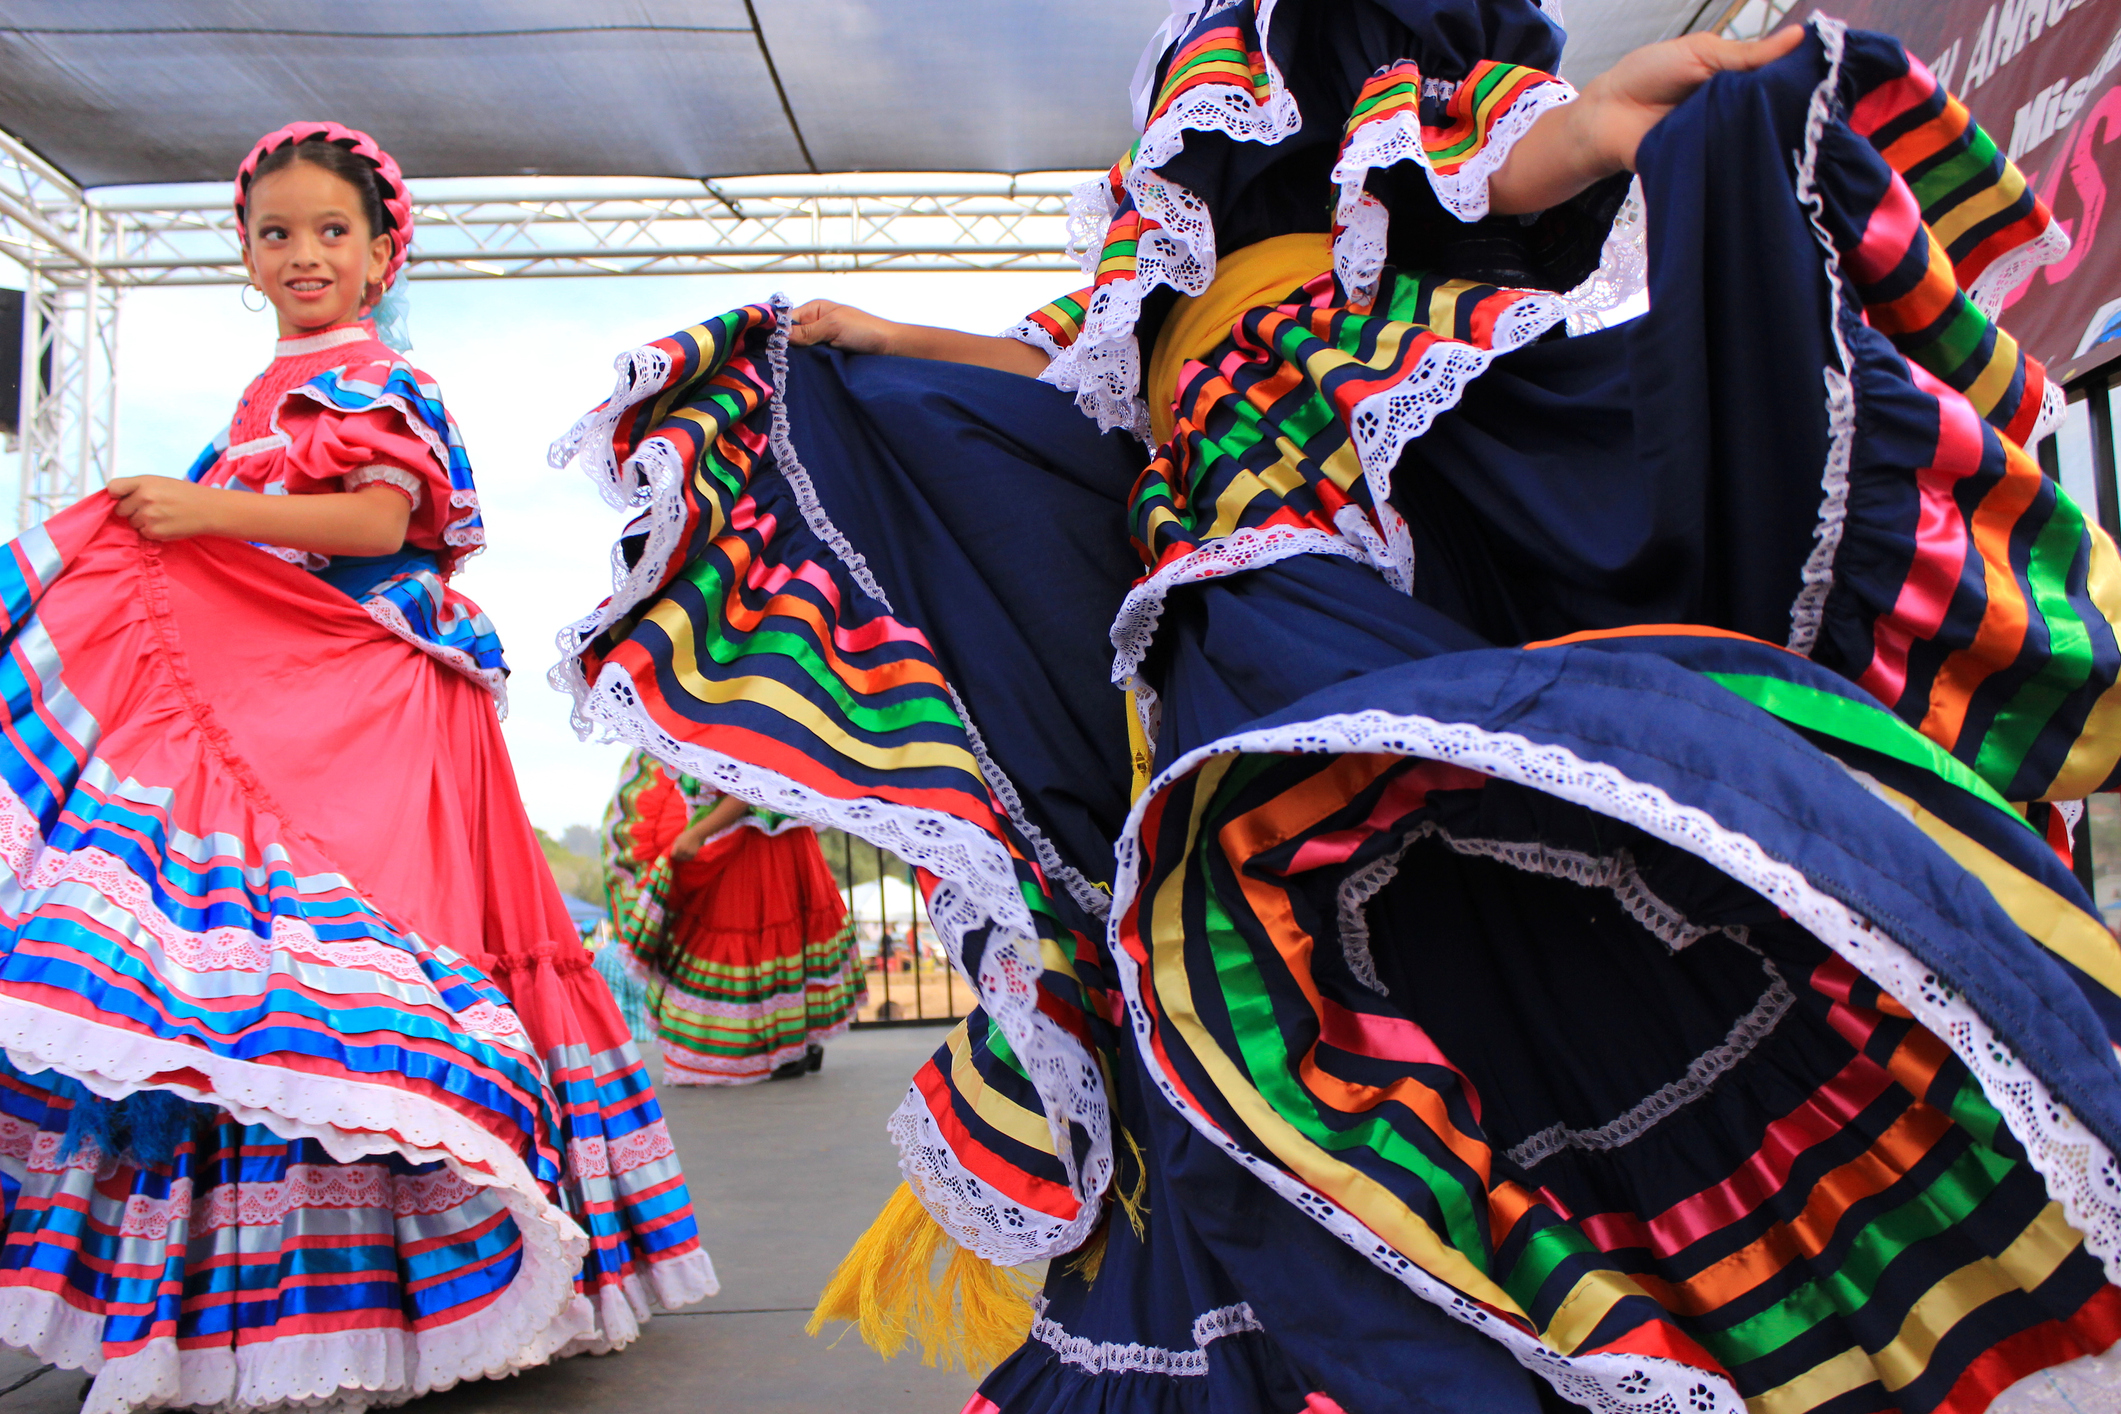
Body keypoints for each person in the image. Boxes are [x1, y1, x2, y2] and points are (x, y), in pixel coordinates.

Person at [553, 5, 2121, 1411]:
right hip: (1177, 539)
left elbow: (1483, 153)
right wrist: (890, 340)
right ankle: (1302, 1290)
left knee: (1341, 806)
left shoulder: (1326, 21)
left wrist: (1608, 124)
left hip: (1309, 477)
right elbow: (1095, 360)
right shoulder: (1184, 101)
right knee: (1201, 916)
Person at [0, 123, 712, 1414]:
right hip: (294, 688)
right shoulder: (259, 396)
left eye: (332, 231)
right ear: (247, 256)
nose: (304, 253)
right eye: (277, 233)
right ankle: (274, 1310)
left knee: (364, 947)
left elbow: (379, 522)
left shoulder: (386, 377)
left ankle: (416, 1283)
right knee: (248, 966)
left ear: (383, 255)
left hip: (373, 695)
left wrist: (205, 509)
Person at [600, 748, 858, 1084]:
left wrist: (697, 832)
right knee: (771, 945)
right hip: (763, 834)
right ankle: (791, 1048)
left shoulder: (746, 702)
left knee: (746, 939)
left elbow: (755, 777)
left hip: (755, 837)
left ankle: (777, 1051)